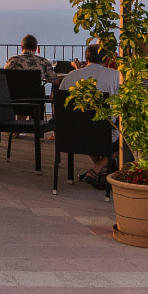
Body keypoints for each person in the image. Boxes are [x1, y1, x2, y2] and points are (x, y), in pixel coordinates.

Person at [57, 42, 124, 190]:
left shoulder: (70, 77)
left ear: (85, 59)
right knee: (125, 136)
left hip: (75, 135)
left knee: (87, 127)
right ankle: (99, 168)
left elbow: (57, 100)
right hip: (104, 134)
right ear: (106, 60)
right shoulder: (117, 76)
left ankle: (99, 170)